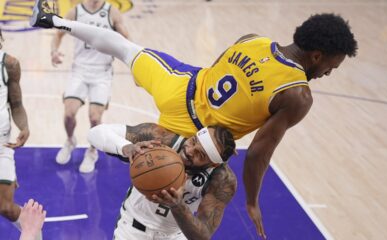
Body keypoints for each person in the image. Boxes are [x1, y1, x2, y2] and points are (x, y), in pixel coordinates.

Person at [31, 2, 358, 237]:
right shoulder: (298, 95)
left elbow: (214, 69)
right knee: (177, 168)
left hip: (181, 85)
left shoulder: (252, 39)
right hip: (194, 130)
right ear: (316, 55)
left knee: (126, 49)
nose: (329, 72)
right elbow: (258, 152)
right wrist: (253, 201)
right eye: (332, 65)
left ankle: (55, 21)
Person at [88, 123, 237, 240]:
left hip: (175, 235)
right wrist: (126, 147)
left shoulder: (222, 180)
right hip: (132, 231)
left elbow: (203, 235)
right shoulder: (162, 139)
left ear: (214, 164)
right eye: (193, 141)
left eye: (200, 154)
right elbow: (94, 133)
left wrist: (177, 206)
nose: (189, 151)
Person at [50, 0, 130, 173]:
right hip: (79, 70)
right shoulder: (75, 12)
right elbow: (58, 35)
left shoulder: (112, 12)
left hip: (102, 72)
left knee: (95, 118)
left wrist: (133, 65)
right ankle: (70, 141)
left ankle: (92, 151)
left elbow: (127, 41)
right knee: (69, 114)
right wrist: (54, 52)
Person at [0, 29, 34, 238]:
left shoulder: (9, 64)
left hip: (1, 145)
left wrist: (24, 127)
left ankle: (33, 230)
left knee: (5, 207)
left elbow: (17, 104)